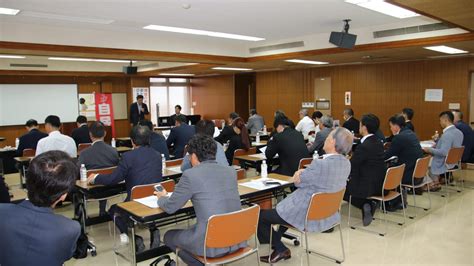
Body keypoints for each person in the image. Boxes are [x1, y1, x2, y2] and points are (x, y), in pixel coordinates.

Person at [258, 128, 353, 263]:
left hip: (305, 212)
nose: (325, 141)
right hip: (327, 212)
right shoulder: (346, 163)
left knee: (260, 216)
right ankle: (277, 241)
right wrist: (306, 172)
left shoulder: (320, 164)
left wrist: (299, 174)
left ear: (332, 142)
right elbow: (318, 180)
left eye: (327, 138)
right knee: (284, 213)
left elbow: (298, 183)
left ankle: (280, 248)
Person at [155, 134, 245, 266]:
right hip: (237, 237)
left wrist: (161, 198)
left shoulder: (191, 175)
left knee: (169, 236)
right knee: (195, 228)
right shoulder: (231, 171)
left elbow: (170, 207)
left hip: (212, 243)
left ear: (194, 156)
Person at [87, 125, 162, 250]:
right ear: (149, 139)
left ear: (132, 141)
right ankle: (154, 230)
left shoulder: (128, 157)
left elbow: (113, 179)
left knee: (113, 210)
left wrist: (96, 178)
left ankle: (134, 237)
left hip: (136, 201)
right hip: (155, 199)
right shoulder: (157, 155)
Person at [0, 151, 80, 265]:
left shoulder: (2, 212)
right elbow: (65, 256)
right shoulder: (70, 228)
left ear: (27, 181)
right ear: (63, 196)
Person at [344, 114, 386, 226]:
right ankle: (370, 202)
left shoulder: (364, 146)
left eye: (360, 124)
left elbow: (352, 165)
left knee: (341, 189)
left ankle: (364, 204)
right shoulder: (378, 142)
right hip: (380, 184)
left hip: (367, 185)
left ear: (364, 127)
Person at [78, 121, 120, 215]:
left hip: (91, 191)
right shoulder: (113, 151)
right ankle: (102, 210)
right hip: (112, 188)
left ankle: (80, 216)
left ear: (90, 134)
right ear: (105, 133)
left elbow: (78, 172)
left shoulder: (84, 153)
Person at [422, 111, 463, 191]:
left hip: (444, 162)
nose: (440, 123)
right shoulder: (459, 132)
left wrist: (429, 149)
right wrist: (438, 141)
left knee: (422, 162)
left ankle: (433, 183)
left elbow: (444, 152)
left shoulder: (447, 135)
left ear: (445, 120)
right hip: (454, 161)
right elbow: (451, 146)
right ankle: (435, 181)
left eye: (440, 121)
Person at [384, 115, 423, 185]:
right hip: (418, 173)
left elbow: (386, 156)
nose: (390, 128)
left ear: (396, 126)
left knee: (383, 170)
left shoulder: (399, 137)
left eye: (391, 126)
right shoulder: (411, 133)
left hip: (407, 174)